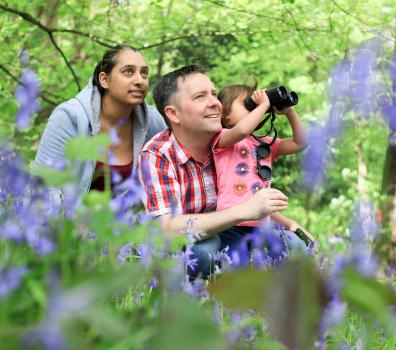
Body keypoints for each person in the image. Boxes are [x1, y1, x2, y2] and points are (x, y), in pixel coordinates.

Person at [138, 65, 305, 279]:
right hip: (197, 239)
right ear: (173, 113)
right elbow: (167, 227)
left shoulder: (237, 146)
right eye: (200, 97)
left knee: (292, 245)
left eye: (214, 94)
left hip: (238, 231)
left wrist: (288, 223)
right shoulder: (158, 155)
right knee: (201, 253)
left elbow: (252, 201)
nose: (214, 103)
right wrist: (243, 211)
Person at [35, 45, 166, 206]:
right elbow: (46, 187)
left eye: (144, 73)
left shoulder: (153, 122)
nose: (139, 80)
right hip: (71, 225)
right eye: (128, 71)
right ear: (104, 80)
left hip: (129, 228)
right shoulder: (69, 117)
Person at [214, 83, 314, 240]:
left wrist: (289, 112)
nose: (254, 108)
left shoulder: (264, 143)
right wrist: (264, 104)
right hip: (230, 222)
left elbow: (301, 143)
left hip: (261, 224)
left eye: (254, 106)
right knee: (233, 263)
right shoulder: (222, 137)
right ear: (224, 113)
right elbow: (241, 130)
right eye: (247, 104)